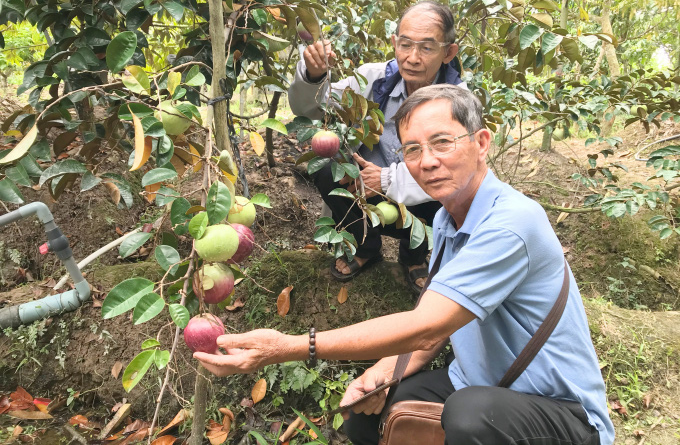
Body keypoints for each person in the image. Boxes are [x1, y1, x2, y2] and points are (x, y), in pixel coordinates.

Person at [195, 85, 615, 445]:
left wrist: (288, 347)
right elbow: (437, 329)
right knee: (362, 411)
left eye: (443, 142)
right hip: (477, 381)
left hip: (562, 410)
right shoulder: (450, 220)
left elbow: (429, 325)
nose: (426, 161)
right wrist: (383, 372)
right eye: (412, 149)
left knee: (470, 416)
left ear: (482, 142)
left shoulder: (511, 224)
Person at [288, 0, 468, 291]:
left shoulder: (458, 101)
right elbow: (312, 106)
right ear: (394, 42)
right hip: (364, 197)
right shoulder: (375, 80)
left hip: (422, 202)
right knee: (325, 165)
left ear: (449, 52)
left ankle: (414, 255)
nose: (412, 57)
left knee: (445, 184)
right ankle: (365, 246)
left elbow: (457, 170)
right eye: (406, 44)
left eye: (426, 47)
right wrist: (315, 75)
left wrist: (385, 180)